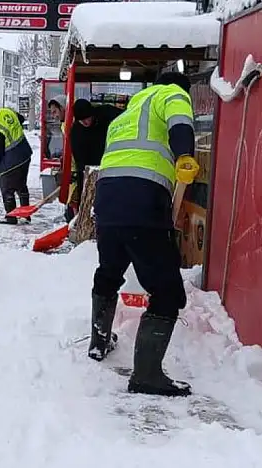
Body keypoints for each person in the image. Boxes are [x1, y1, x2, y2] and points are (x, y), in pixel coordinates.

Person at [88, 72, 200, 397]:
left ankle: (99, 342)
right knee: (167, 291)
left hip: (107, 200)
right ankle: (147, 376)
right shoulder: (172, 93)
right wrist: (185, 155)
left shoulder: (126, 115)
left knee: (109, 272)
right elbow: (181, 123)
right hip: (142, 198)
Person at [67, 99, 124, 220]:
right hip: (91, 169)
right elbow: (80, 163)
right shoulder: (76, 133)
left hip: (112, 162)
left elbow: (125, 115)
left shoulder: (105, 113)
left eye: (87, 118)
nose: (85, 122)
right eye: (82, 120)